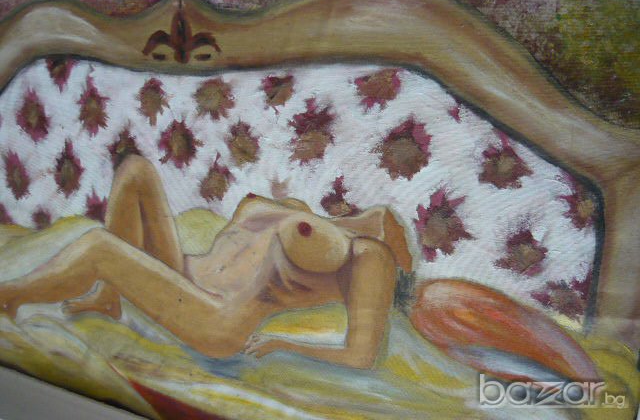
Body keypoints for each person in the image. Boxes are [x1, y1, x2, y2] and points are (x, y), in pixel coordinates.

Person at [0, 155, 413, 369]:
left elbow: (361, 355)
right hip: (182, 273)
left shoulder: (368, 259)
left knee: (98, 246)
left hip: (217, 316)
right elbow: (381, 219)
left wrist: (284, 343)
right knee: (135, 169)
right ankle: (108, 295)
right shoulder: (329, 219)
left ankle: (9, 295)